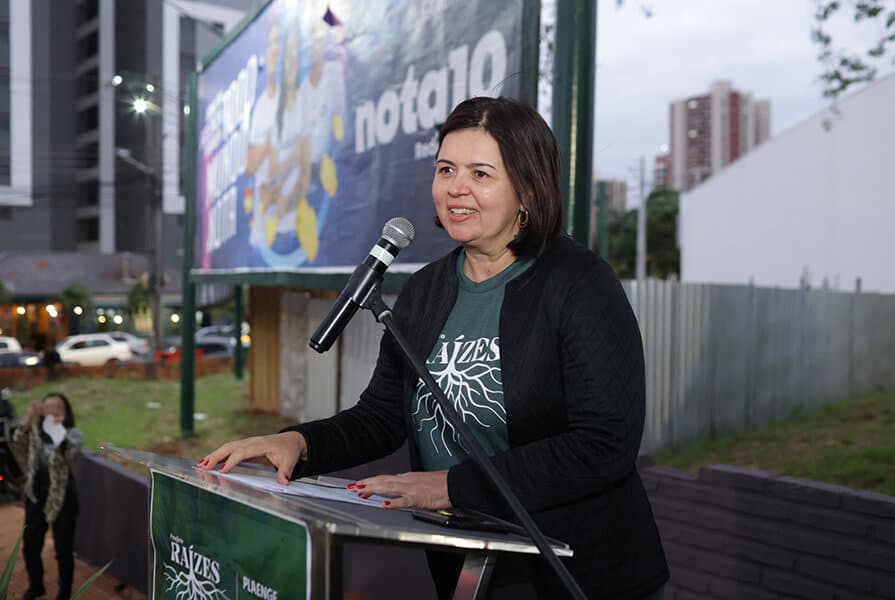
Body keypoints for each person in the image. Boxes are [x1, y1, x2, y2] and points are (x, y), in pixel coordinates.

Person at [201, 97, 669, 599]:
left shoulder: (579, 283)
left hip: (579, 572)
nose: (456, 187)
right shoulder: (426, 291)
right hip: (468, 569)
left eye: (481, 174)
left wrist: (449, 486)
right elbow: (382, 417)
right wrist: (298, 444)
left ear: (527, 189)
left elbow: (604, 446)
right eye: (446, 169)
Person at [9, 393, 82, 600]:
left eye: (58, 406)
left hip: (62, 498)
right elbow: (17, 445)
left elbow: (70, 454)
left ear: (66, 412)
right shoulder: (35, 433)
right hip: (36, 497)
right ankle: (36, 586)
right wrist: (29, 418)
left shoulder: (72, 434)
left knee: (63, 550)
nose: (52, 410)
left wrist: (58, 429)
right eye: (48, 406)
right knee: (30, 546)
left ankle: (64, 593)